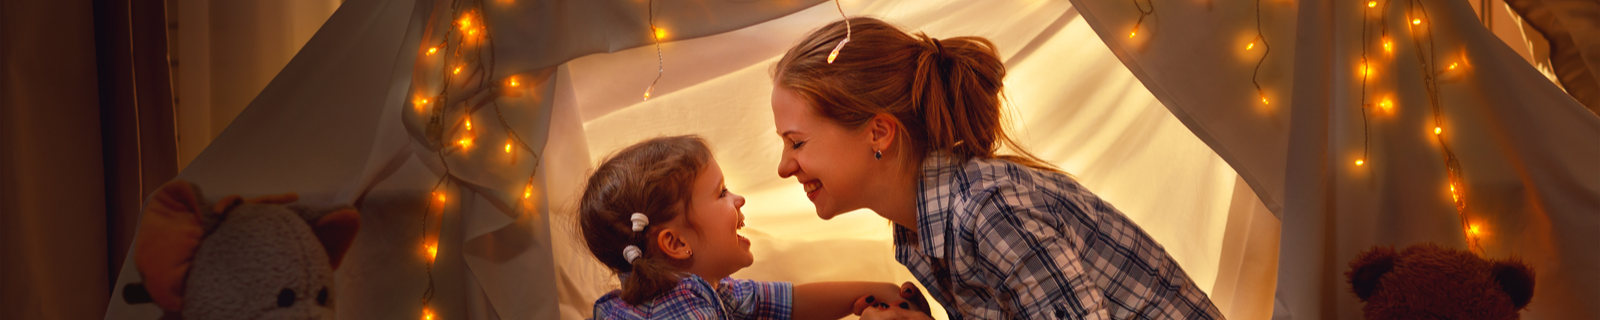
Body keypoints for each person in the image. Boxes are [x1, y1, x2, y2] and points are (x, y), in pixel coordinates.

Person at [769, 18, 1225, 320]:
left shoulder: (989, 211)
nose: (784, 166)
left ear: (878, 133)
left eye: (797, 142)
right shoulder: (920, 229)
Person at [580, 135, 923, 319]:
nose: (739, 199)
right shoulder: (678, 311)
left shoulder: (703, 288)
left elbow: (791, 302)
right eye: (722, 193)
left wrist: (883, 291)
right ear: (676, 244)